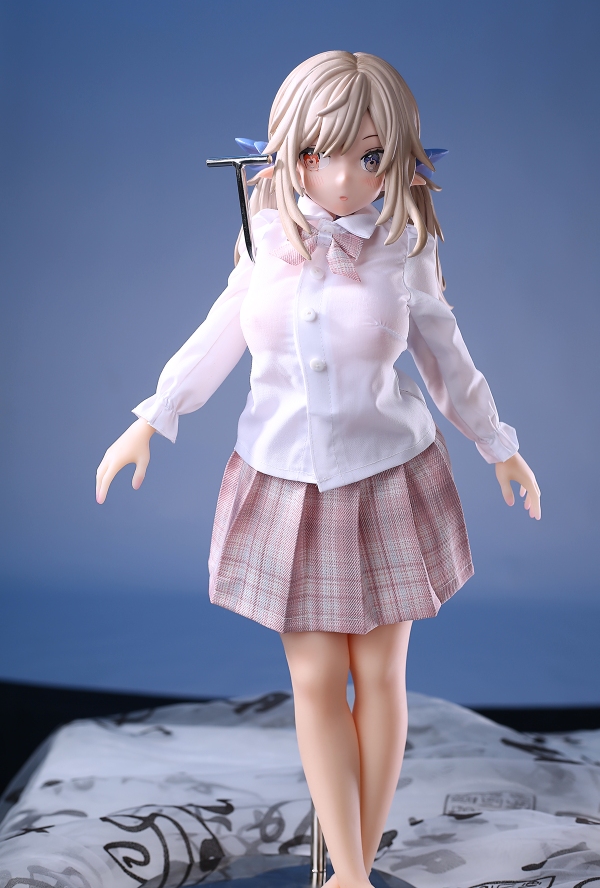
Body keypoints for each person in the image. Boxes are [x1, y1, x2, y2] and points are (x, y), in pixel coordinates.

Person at [96, 51, 541, 888]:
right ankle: (348, 870)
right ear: (284, 149)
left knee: (381, 676)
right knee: (314, 679)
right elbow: (218, 333)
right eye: (316, 153)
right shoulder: (262, 234)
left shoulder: (405, 246)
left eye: (369, 156)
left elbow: (448, 361)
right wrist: (151, 417)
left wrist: (499, 444)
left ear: (400, 156)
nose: (341, 180)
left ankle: (353, 871)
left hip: (389, 481)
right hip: (285, 482)